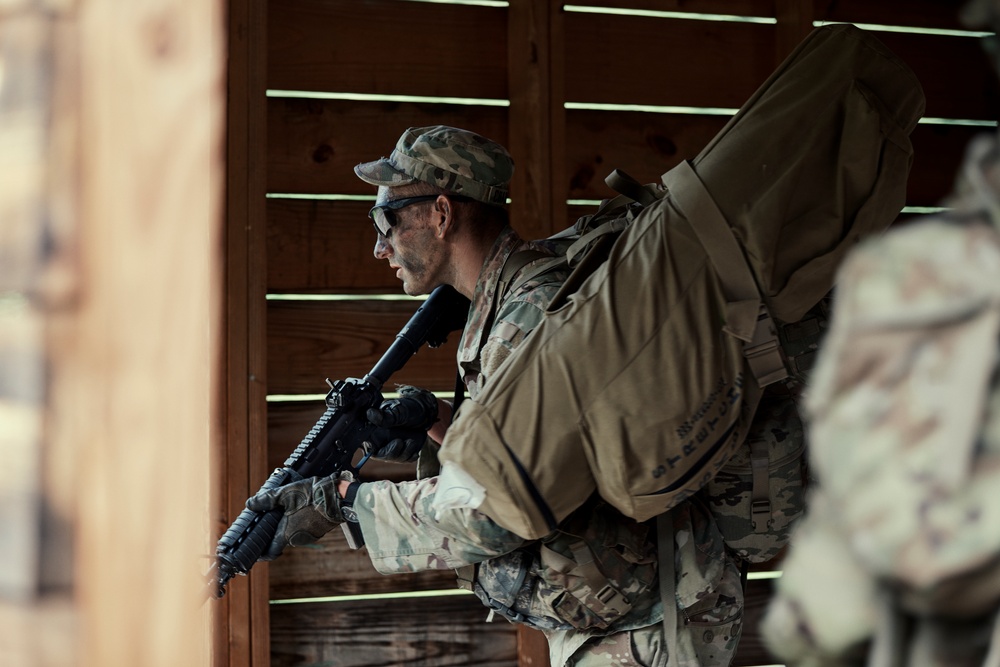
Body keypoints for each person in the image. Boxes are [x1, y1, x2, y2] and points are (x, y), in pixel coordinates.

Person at [247, 125, 744, 667]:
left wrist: (346, 502)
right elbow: (551, 455)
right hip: (638, 607)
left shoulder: (527, 317)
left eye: (387, 219)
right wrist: (438, 422)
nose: (378, 244)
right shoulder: (518, 292)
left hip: (653, 622)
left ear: (441, 213)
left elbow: (494, 508)